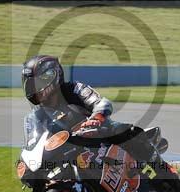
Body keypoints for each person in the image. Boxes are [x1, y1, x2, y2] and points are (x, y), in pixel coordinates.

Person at [21, 54, 158, 161]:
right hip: (70, 151)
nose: (33, 89)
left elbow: (102, 103)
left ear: (52, 77)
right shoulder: (34, 116)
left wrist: (96, 118)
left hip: (101, 136)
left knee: (130, 133)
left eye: (36, 84)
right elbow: (33, 143)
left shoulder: (75, 89)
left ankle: (168, 173)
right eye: (30, 84)